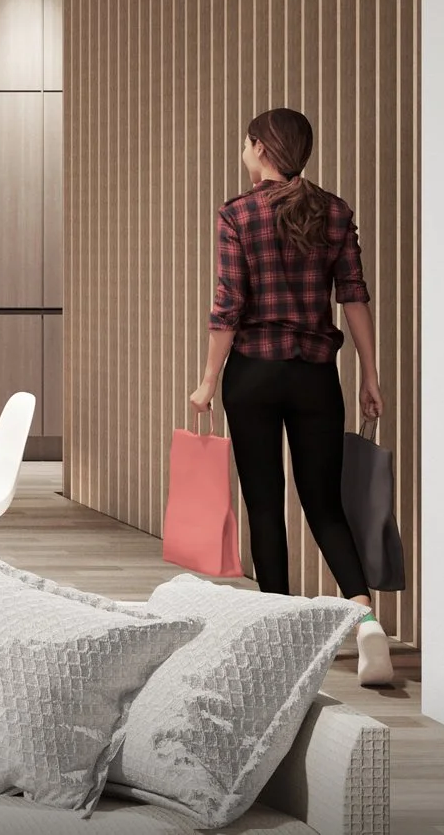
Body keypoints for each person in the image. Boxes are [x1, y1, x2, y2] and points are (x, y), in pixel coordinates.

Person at [188, 108, 394, 686]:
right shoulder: (335, 211)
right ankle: (365, 619)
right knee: (324, 505)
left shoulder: (238, 213)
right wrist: (371, 374)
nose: (244, 154)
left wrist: (208, 380)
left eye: (245, 144)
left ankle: (279, 633)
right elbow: (354, 296)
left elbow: (228, 307)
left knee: (264, 503)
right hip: (315, 376)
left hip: (253, 374)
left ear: (260, 148)